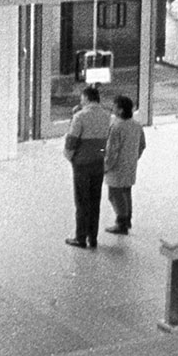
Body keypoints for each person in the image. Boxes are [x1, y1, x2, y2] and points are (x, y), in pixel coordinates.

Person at [62, 85, 114, 249]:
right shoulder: (107, 116)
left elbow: (72, 141)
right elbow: (105, 142)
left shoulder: (80, 116)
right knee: (94, 200)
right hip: (98, 162)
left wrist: (69, 156)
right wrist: (100, 153)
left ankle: (80, 237)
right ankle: (93, 237)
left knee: (82, 201)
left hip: (82, 163)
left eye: (81, 99)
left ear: (86, 98)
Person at [104, 94, 145, 237]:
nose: (112, 108)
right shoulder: (137, 125)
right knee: (126, 192)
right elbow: (142, 145)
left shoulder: (116, 127)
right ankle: (127, 219)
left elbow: (111, 150)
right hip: (130, 164)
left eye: (114, 106)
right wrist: (135, 157)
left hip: (117, 167)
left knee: (114, 194)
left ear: (120, 110)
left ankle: (121, 222)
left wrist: (105, 166)